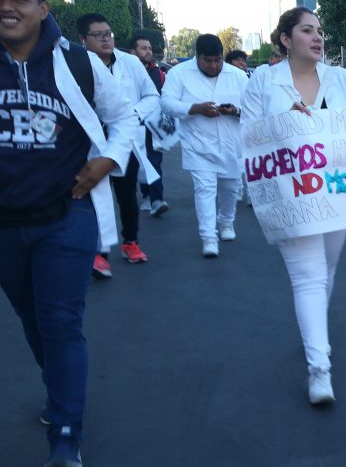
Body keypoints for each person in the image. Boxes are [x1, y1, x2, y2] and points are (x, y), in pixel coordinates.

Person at [0, 0, 136, 467]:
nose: (6, 7)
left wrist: (108, 159)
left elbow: (124, 117)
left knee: (60, 321)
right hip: (5, 224)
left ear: (42, 7)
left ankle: (65, 432)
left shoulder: (76, 62)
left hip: (67, 214)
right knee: (31, 318)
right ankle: (59, 390)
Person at [241, 7, 346, 404]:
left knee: (327, 268)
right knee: (309, 277)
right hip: (289, 196)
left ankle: (315, 334)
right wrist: (283, 127)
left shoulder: (342, 80)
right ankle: (319, 368)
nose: (317, 38)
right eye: (307, 30)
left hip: (336, 194)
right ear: (285, 39)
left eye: (320, 32)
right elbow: (247, 139)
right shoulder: (264, 81)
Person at [77, 14, 159, 277]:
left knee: (126, 195)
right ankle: (99, 253)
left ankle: (130, 242)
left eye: (108, 34)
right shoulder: (75, 64)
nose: (105, 39)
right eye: (98, 35)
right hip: (91, 142)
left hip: (124, 141)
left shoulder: (131, 62)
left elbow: (151, 96)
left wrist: (129, 115)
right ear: (83, 40)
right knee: (96, 197)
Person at [161, 34, 249, 257]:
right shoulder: (179, 73)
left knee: (231, 188)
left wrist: (235, 111)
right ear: (197, 57)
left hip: (231, 144)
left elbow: (254, 107)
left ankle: (226, 222)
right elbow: (167, 103)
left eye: (218, 60)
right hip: (198, 145)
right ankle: (209, 237)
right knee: (205, 190)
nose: (213, 65)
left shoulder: (238, 76)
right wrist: (194, 108)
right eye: (207, 61)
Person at [129, 34, 171, 218]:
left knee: (154, 162)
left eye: (150, 48)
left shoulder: (158, 73)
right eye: (143, 48)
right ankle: (146, 194)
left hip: (154, 125)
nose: (148, 52)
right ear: (133, 51)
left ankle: (157, 200)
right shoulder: (124, 71)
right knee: (138, 162)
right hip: (132, 123)